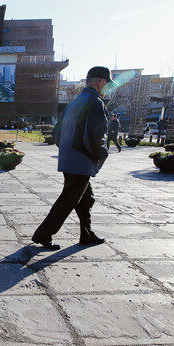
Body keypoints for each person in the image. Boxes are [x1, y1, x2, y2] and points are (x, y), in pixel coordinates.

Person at [32, 66, 112, 250]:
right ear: (101, 83)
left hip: (70, 159)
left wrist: (67, 150)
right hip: (81, 160)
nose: (107, 88)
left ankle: (87, 233)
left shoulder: (75, 102)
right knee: (68, 199)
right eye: (107, 84)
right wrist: (101, 155)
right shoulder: (95, 102)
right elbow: (96, 135)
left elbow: (57, 132)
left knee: (86, 198)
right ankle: (43, 234)